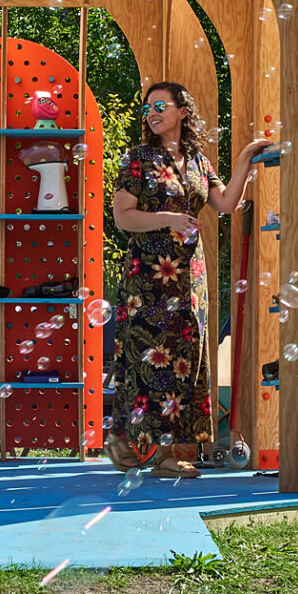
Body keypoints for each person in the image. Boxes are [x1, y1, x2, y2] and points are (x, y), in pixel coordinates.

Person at [107, 82, 268, 478]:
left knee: (185, 360)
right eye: (147, 108)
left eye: (160, 105)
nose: (152, 112)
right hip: (148, 279)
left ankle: (138, 445)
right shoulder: (137, 159)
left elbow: (227, 203)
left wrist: (246, 157)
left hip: (189, 277)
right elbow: (122, 217)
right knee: (149, 360)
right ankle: (152, 452)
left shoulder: (197, 159)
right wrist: (167, 218)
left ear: (182, 110)